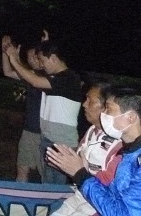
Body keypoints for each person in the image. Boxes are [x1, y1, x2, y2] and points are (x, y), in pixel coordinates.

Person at [46, 85, 141, 215]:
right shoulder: (130, 153)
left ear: (131, 117)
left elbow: (123, 213)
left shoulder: (134, 157)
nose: (104, 115)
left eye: (109, 109)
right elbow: (114, 195)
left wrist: (81, 174)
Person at [6, 40, 82, 184]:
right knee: (47, 184)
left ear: (53, 58)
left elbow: (35, 81)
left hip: (62, 144)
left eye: (42, 60)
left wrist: (14, 60)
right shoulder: (54, 78)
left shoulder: (68, 78)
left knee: (55, 188)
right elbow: (33, 78)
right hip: (48, 139)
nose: (41, 64)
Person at [1, 37, 44, 182]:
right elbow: (8, 72)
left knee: (45, 175)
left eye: (34, 57)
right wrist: (6, 52)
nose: (31, 60)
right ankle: (18, 194)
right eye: (28, 57)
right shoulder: (29, 74)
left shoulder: (49, 76)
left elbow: (28, 75)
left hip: (46, 134)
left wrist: (14, 57)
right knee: (22, 169)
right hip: (29, 130)